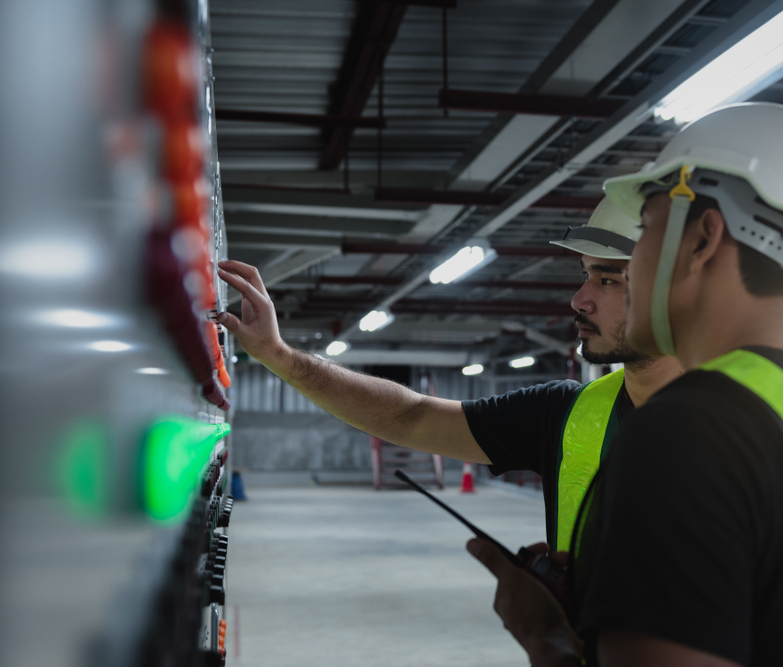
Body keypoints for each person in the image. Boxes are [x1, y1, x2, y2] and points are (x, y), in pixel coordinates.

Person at [466, 102, 783, 667]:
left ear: (702, 239)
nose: (636, 256)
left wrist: (544, 633)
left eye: (644, 229)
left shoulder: (683, 434)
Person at [217, 198, 684, 549]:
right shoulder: (567, 415)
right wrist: (280, 356)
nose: (579, 299)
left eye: (607, 280)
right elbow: (409, 416)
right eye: (584, 275)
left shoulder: (750, 433)